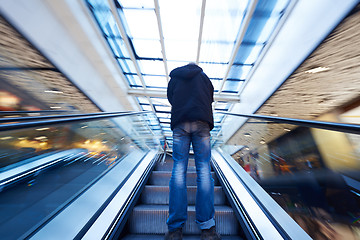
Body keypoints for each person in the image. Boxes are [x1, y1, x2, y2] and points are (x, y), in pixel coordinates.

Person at [165, 63, 221, 240]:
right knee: (204, 171)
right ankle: (207, 230)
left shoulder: (175, 78)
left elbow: (171, 98)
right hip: (202, 122)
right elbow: (210, 97)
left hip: (180, 123)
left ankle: (175, 230)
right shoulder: (204, 78)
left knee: (178, 170)